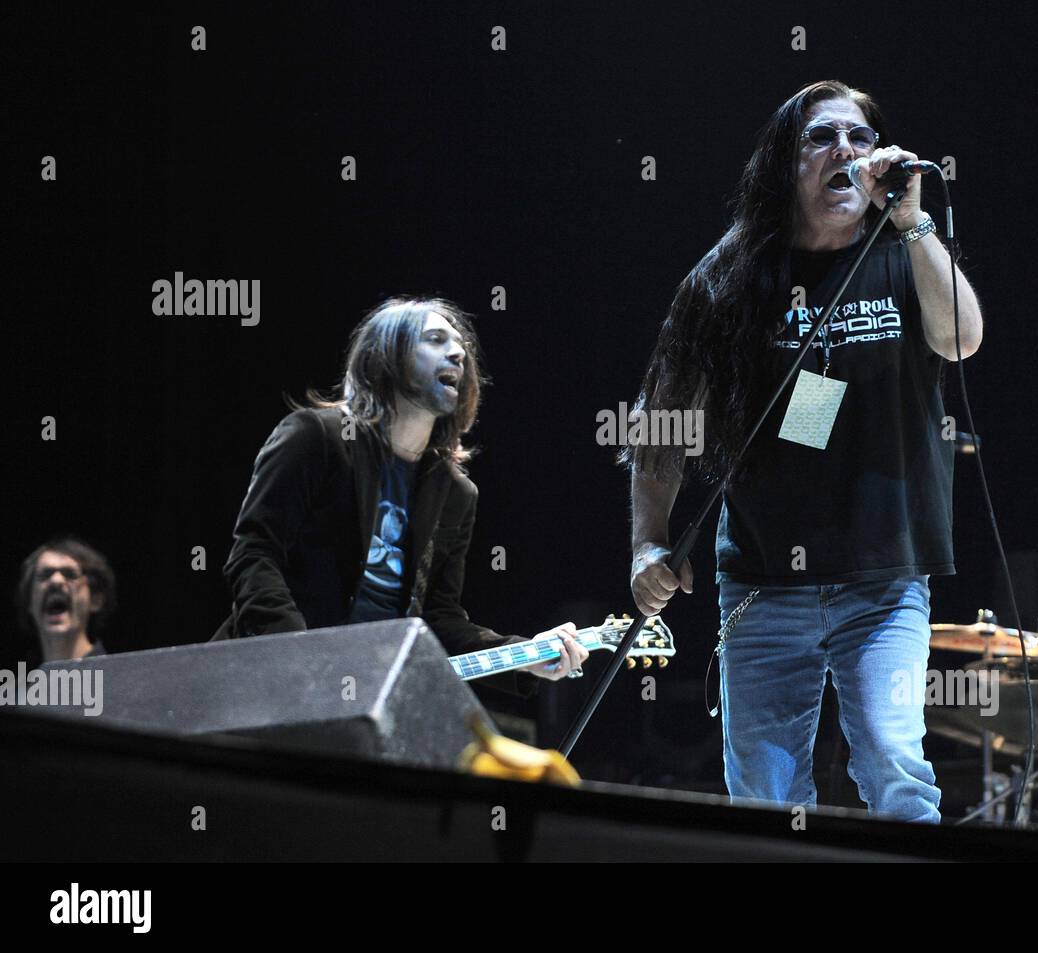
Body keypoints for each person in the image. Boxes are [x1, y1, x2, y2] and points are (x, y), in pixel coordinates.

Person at [626, 81, 983, 821]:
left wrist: (915, 223)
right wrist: (646, 543)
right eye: (821, 138)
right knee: (765, 795)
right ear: (784, 165)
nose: (845, 152)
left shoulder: (904, 249)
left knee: (895, 765)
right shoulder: (730, 276)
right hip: (763, 583)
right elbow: (662, 419)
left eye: (860, 138)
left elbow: (960, 339)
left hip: (884, 578)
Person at [212, 297, 587, 685]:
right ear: (387, 355)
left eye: (462, 345)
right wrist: (297, 656)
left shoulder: (456, 494)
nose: (458, 352)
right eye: (435, 339)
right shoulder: (317, 437)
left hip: (369, 695)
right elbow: (255, 555)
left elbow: (439, 621)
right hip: (267, 680)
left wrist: (523, 654)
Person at [13, 537, 117, 663]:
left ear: (95, 600)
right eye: (45, 575)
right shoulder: (22, 683)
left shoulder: (124, 677)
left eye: (70, 574)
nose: (56, 581)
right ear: (29, 601)